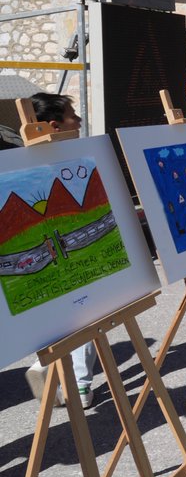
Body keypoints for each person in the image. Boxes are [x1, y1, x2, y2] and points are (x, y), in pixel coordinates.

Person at [21, 93, 97, 409]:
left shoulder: (24, 167)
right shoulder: (69, 163)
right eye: (73, 116)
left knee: (60, 311)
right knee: (90, 310)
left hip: (45, 255)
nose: (79, 121)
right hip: (70, 251)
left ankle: (48, 366)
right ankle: (78, 384)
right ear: (54, 125)